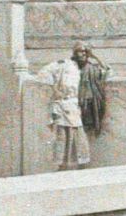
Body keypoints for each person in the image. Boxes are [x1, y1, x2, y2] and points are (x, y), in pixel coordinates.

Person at [44, 41, 109, 170]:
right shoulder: (66, 65)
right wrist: (55, 90)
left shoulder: (88, 68)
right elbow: (46, 72)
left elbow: (105, 70)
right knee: (62, 136)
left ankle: (80, 165)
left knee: (78, 136)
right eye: (80, 51)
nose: (83, 54)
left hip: (78, 107)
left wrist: (94, 56)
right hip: (63, 105)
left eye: (85, 52)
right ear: (74, 53)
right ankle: (62, 165)